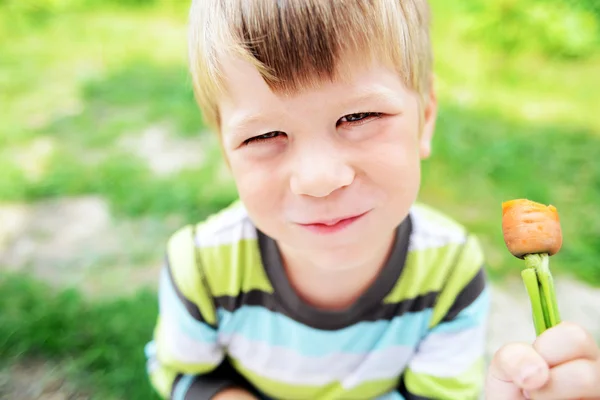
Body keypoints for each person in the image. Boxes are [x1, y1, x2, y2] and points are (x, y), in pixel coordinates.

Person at [144, 1, 600, 399]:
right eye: (265, 134)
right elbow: (185, 374)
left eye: (358, 116)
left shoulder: (450, 271)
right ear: (226, 151)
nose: (320, 180)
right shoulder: (201, 267)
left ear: (424, 118)